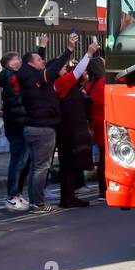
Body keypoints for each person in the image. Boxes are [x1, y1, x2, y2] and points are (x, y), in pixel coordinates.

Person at [16, 34, 77, 213]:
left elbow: (41, 65)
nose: (42, 61)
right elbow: (50, 69)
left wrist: (41, 47)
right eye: (39, 59)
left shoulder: (28, 75)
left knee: (35, 166)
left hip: (34, 126)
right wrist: (69, 50)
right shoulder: (34, 79)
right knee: (41, 167)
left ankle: (32, 198)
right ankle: (38, 203)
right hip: (42, 128)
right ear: (30, 64)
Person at [53, 42, 98, 208]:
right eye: (62, 67)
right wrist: (89, 53)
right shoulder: (60, 83)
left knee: (71, 165)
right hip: (69, 130)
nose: (66, 68)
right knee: (69, 165)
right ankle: (67, 197)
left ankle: (69, 195)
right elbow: (78, 71)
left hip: (72, 128)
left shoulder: (64, 83)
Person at [0, 44, 36, 211]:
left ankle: (17, 193)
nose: (20, 61)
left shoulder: (13, 77)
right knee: (17, 161)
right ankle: (12, 195)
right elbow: (19, 98)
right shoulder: (12, 78)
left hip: (19, 122)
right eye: (16, 59)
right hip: (17, 124)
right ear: (9, 64)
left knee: (22, 161)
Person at [86, 55, 107, 187]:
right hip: (106, 121)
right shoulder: (104, 82)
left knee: (102, 155)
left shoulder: (89, 85)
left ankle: (101, 189)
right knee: (106, 156)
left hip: (95, 122)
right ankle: (104, 186)